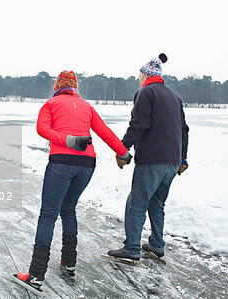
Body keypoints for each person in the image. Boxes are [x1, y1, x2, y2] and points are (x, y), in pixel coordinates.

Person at [14, 70, 131, 292]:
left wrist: (66, 140)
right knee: (68, 209)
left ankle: (36, 275)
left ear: (58, 86)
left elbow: (42, 129)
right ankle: (69, 262)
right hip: (87, 165)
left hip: (61, 162)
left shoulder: (51, 103)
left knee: (48, 214)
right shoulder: (86, 106)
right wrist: (123, 152)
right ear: (75, 87)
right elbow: (104, 132)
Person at [108, 53, 189, 260]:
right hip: (172, 161)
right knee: (156, 203)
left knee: (137, 202)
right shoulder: (174, 97)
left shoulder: (145, 93)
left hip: (153, 159)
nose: (138, 79)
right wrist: (183, 159)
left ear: (145, 75)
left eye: (139, 76)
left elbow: (138, 125)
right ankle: (157, 245)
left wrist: (122, 149)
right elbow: (184, 129)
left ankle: (132, 248)